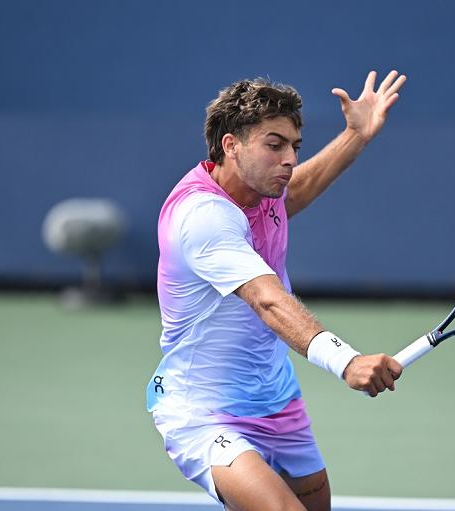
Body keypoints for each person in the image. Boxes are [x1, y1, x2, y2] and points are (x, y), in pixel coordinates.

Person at [146, 70, 407, 511]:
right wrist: (346, 360)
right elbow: (267, 300)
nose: (288, 158)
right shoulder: (203, 217)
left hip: (276, 398)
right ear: (231, 145)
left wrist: (354, 136)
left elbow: (295, 192)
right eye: (274, 145)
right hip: (203, 408)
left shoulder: (261, 190)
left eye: (293, 147)